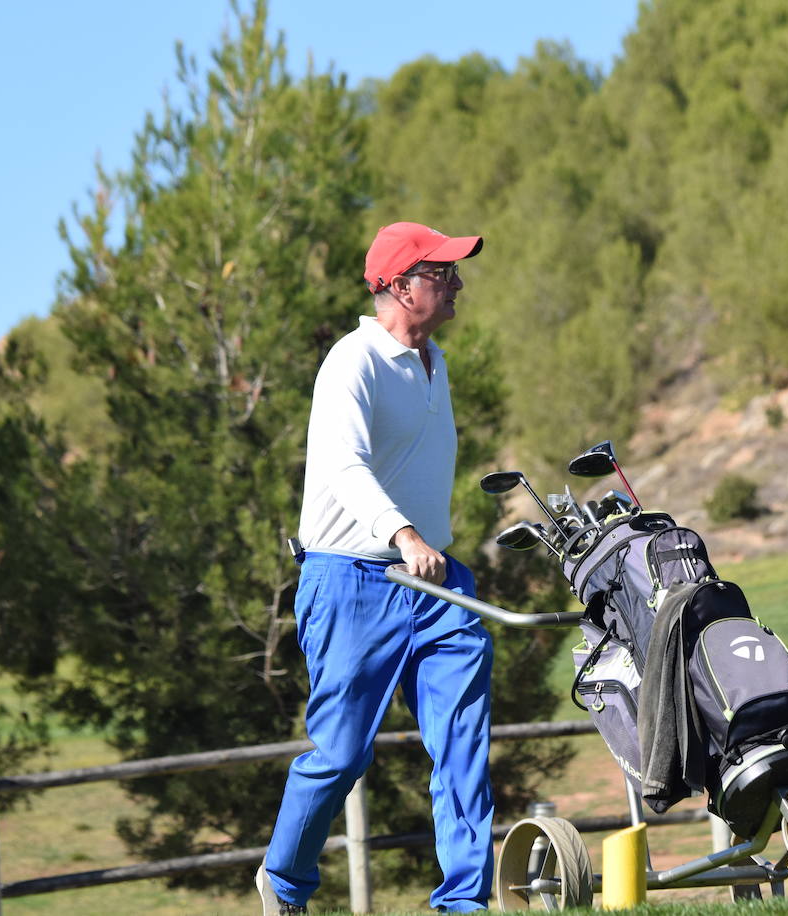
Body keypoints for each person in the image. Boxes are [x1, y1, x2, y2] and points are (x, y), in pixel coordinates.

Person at [256, 222, 495, 914]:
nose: (455, 285)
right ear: (397, 286)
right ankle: (285, 879)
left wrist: (431, 548)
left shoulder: (434, 361)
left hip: (437, 584)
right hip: (351, 582)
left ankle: (464, 904)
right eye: (441, 273)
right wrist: (402, 532)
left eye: (452, 273)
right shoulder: (351, 362)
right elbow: (341, 466)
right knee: (341, 755)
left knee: (462, 749)